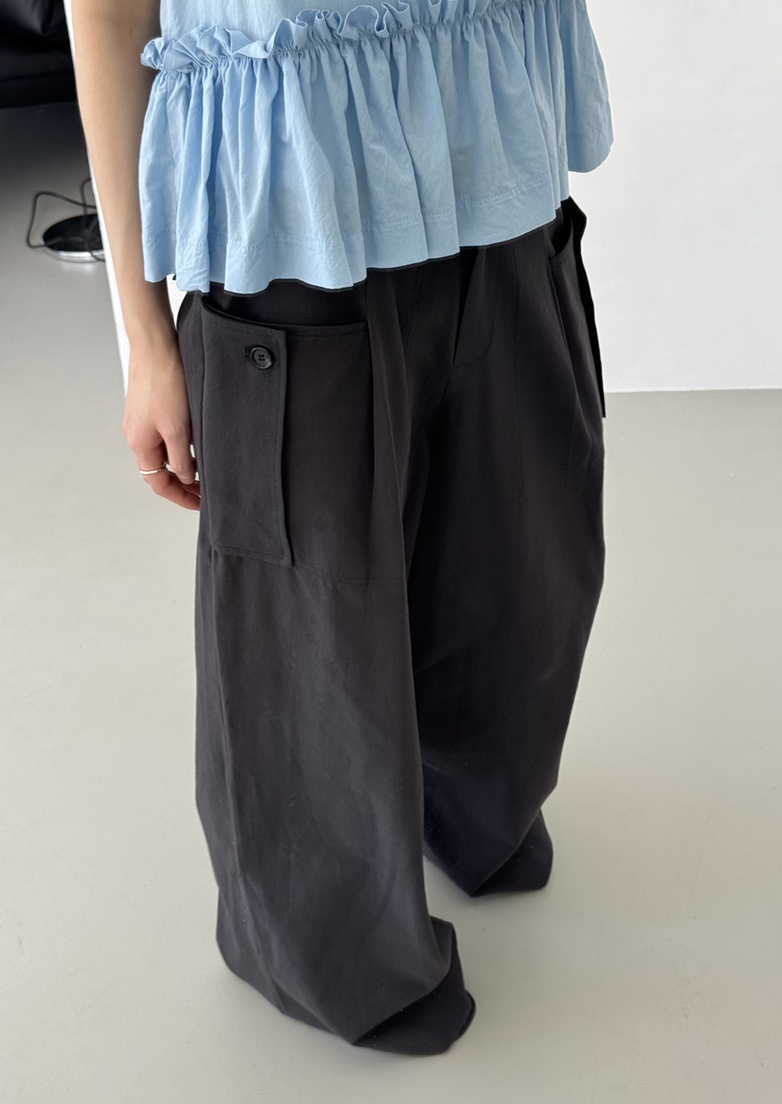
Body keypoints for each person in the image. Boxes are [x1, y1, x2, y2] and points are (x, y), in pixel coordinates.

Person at [72, 0, 613, 1056]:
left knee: (526, 559)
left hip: (497, 166)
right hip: (295, 214)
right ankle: (329, 947)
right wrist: (145, 339)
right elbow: (108, 12)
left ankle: (471, 808)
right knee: (308, 636)